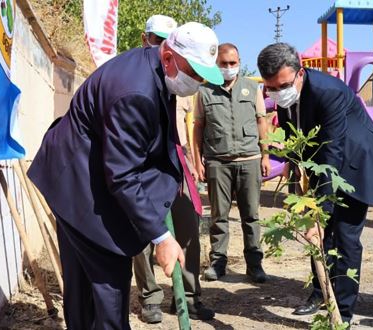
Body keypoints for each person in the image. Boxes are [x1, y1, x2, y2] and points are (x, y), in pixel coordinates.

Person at [27, 22, 224, 329]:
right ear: (169, 56)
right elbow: (122, 174)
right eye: (195, 73)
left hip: (76, 174)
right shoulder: (134, 91)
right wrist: (161, 236)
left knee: (81, 283)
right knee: (110, 282)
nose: (197, 82)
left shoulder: (158, 68)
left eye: (202, 76)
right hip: (79, 184)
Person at [257, 43, 373, 324]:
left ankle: (341, 310)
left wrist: (320, 212)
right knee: (317, 234)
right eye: (271, 88)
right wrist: (293, 164)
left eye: (283, 85)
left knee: (343, 237)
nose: (277, 93)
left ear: (300, 73)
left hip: (356, 165)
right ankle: (320, 292)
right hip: (324, 163)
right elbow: (292, 131)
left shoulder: (327, 92)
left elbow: (333, 153)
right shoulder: (284, 95)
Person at [132, 15, 214, 323]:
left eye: (168, 39)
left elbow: (189, 126)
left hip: (177, 164)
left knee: (188, 229)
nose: (161, 45)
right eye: (156, 39)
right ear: (146, 39)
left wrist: (192, 163)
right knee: (143, 233)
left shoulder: (183, 78)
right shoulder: (138, 80)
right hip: (143, 169)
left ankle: (190, 296)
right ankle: (150, 297)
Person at [193, 43, 270, 283]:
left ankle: (255, 264)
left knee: (251, 216)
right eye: (224, 63)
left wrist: (265, 154)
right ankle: (218, 263)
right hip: (218, 162)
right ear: (216, 64)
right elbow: (198, 128)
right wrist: (198, 162)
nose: (228, 67)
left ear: (239, 62)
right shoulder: (205, 91)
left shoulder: (252, 87)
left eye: (232, 63)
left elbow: (261, 121)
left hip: (249, 160)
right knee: (219, 217)